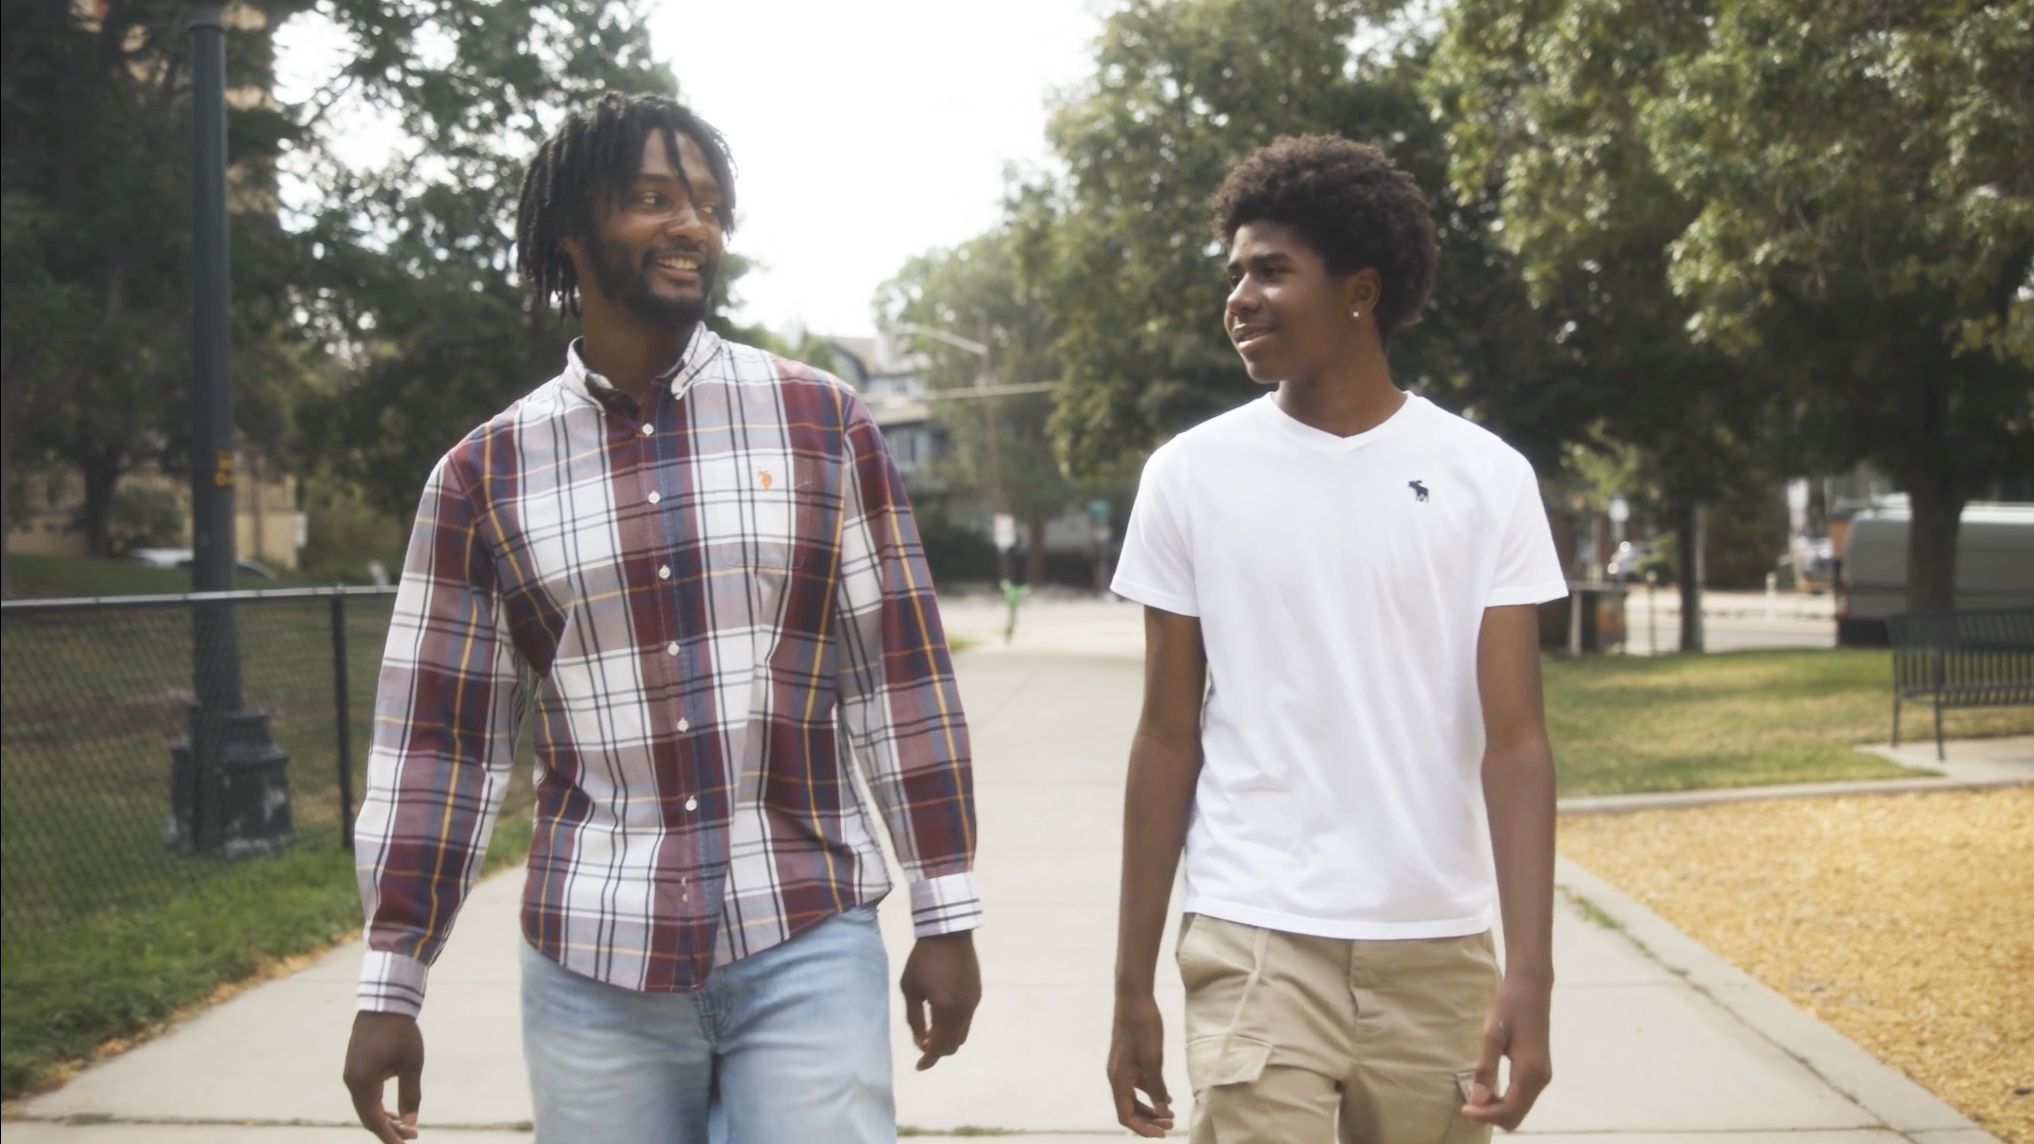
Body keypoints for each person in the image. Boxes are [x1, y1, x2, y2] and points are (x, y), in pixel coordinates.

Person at [341, 93, 983, 1144]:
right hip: (594, 962)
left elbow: (895, 679)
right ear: (571, 229)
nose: (693, 225)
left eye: (709, 204)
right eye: (652, 198)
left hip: (805, 930)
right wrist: (391, 982)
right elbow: (439, 749)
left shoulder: (823, 424)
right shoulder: (482, 475)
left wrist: (946, 909)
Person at [1104, 134, 1566, 1142]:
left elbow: (1517, 742)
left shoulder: (1485, 477)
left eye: (1271, 270)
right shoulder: (1190, 476)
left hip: (1435, 945)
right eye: (1234, 272)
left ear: (1360, 290)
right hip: (1254, 933)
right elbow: (1166, 738)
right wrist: (1131, 982)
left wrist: (1528, 971)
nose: (1240, 296)